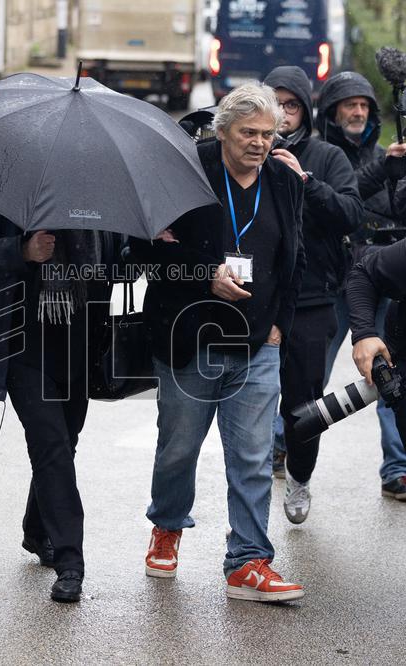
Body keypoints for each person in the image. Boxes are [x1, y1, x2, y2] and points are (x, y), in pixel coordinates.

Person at [131, 82, 307, 601]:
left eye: (268, 134)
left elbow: (294, 260)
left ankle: (248, 561)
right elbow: (142, 255)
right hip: (190, 337)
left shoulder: (284, 180)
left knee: (253, 456)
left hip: (258, 344)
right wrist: (204, 275)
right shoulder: (185, 172)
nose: (259, 143)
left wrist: (280, 326)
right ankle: (167, 525)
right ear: (222, 131)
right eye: (248, 133)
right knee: (179, 447)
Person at [0, 205, 118, 604]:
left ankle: (35, 530)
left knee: (63, 445)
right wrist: (21, 251)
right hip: (23, 348)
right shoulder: (10, 190)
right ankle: (70, 564)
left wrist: (148, 247)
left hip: (82, 347)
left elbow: (120, 263)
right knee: (53, 448)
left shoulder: (102, 198)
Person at [261, 66, 363, 524]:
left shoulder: (327, 156)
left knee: (304, 403)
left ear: (305, 109)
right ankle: (253, 484)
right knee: (252, 398)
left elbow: (350, 214)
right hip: (256, 298)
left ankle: (299, 475)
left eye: (291, 104)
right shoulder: (247, 149)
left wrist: (305, 180)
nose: (282, 114)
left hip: (314, 298)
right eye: (275, 103)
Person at [312, 71, 406, 502]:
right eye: (348, 105)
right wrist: (381, 172)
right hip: (336, 280)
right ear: (333, 111)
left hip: (384, 278)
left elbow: (399, 206)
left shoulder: (383, 153)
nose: (357, 112)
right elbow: (348, 205)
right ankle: (285, 441)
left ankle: (398, 466)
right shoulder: (321, 158)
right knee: (310, 368)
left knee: (390, 370)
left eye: (364, 106)